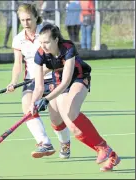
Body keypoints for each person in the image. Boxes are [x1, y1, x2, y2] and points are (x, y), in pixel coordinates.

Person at [29, 24, 121, 172]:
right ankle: (111, 154)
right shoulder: (40, 54)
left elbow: (66, 81)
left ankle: (103, 148)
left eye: (46, 42)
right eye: (41, 42)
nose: (43, 46)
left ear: (56, 40)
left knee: (72, 113)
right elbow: (39, 87)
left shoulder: (68, 48)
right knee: (68, 126)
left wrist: (45, 99)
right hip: (58, 83)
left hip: (78, 78)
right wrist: (33, 104)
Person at [6, 3, 71, 159]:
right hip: (31, 80)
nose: (26, 23)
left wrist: (46, 70)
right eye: (22, 20)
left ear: (36, 17)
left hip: (53, 77)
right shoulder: (18, 39)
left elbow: (60, 56)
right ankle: (44, 143)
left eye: (29, 19)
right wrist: (13, 81)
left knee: (55, 118)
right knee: (28, 107)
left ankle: (65, 143)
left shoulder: (47, 32)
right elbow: (17, 64)